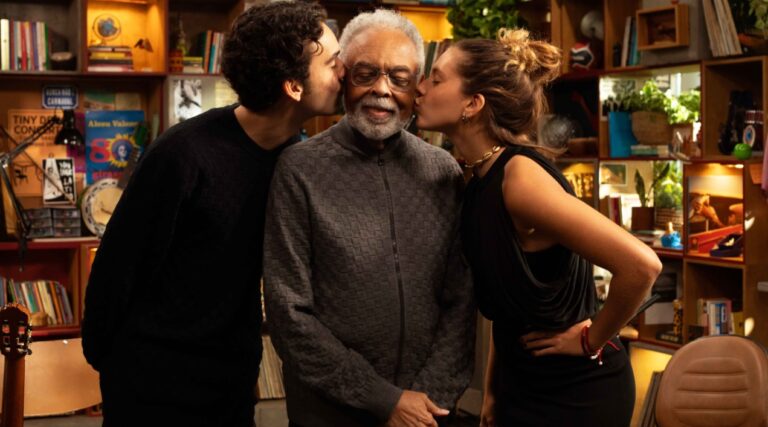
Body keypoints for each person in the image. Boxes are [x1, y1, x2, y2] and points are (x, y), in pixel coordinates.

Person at [81, 3, 344, 426]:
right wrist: (110, 363)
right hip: (150, 385)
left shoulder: (300, 161)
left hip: (231, 383)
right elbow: (117, 268)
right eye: (333, 62)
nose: (344, 71)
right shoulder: (183, 154)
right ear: (294, 86)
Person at [414, 29, 662, 426]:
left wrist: (590, 339)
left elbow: (642, 265)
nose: (420, 87)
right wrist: (493, 393)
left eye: (437, 79)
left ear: (473, 104)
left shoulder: (520, 178)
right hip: (520, 385)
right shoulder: (477, 177)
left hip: (576, 392)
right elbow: (507, 310)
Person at [263, 9, 476, 427]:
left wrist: (424, 402)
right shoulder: (298, 168)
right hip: (329, 413)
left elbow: (462, 300)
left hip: (427, 414)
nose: (382, 90)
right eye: (366, 73)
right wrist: (383, 400)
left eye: (398, 78)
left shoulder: (443, 170)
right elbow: (288, 314)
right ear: (343, 76)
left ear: (417, 87)